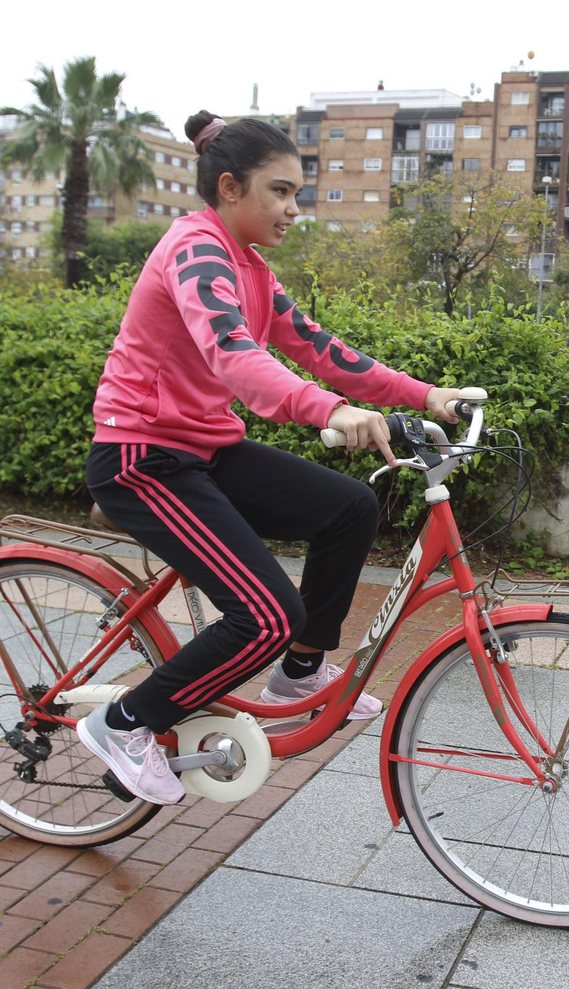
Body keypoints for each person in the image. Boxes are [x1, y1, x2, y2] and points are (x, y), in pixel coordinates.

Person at [76, 111, 464, 805]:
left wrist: (426, 394)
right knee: (263, 613)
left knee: (348, 506)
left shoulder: (250, 267)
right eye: (280, 192)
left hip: (202, 450)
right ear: (229, 188)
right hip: (143, 457)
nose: (293, 209)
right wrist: (328, 409)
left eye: (297, 194)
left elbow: (322, 349)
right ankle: (124, 723)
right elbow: (234, 355)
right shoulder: (195, 252)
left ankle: (300, 672)